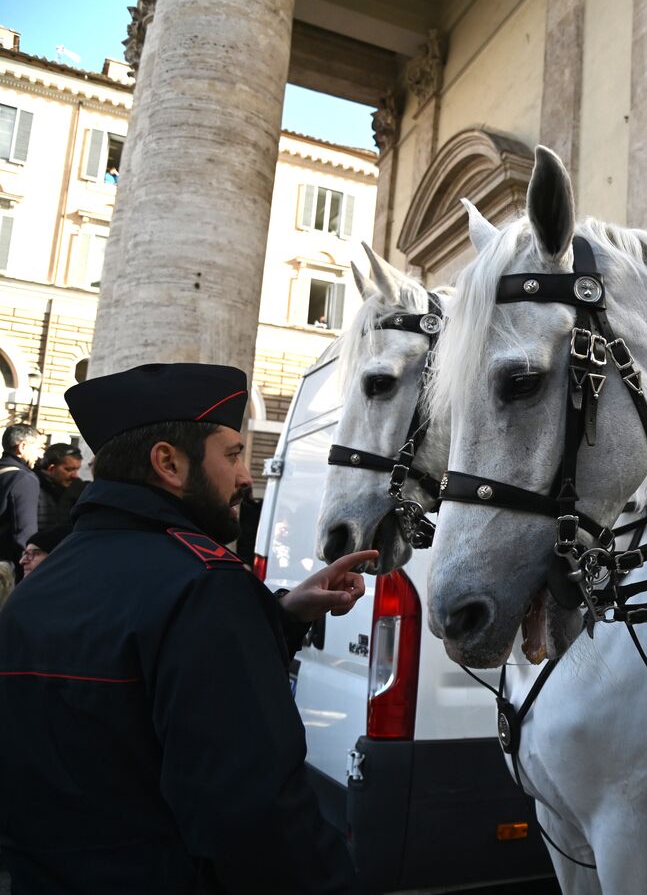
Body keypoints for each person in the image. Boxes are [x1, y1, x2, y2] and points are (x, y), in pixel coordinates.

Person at [0, 362, 375, 894]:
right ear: (168, 463)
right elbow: (257, 817)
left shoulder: (38, 587)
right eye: (233, 454)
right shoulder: (204, 586)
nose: (247, 477)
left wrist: (282, 612)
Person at [0, 424, 43, 573]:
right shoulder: (24, 480)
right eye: (38, 448)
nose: (40, 455)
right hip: (7, 570)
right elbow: (25, 534)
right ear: (22, 447)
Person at [34, 442, 85, 528]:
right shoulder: (32, 487)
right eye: (69, 470)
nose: (74, 475)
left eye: (76, 469)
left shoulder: (78, 488)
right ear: (51, 468)